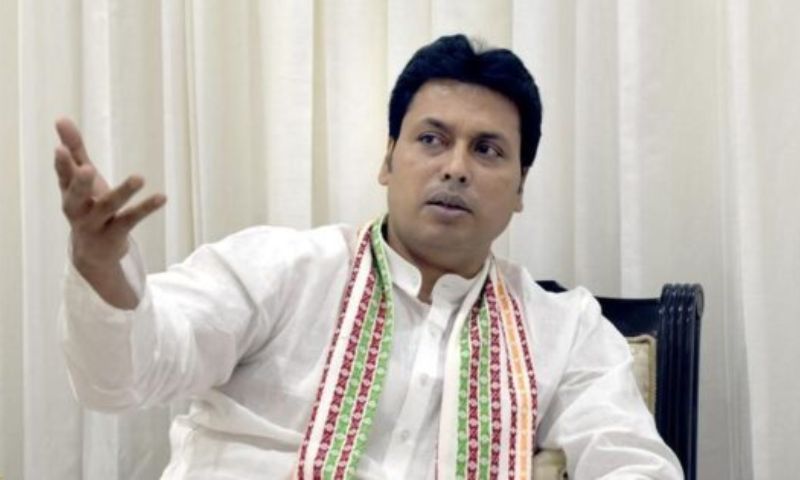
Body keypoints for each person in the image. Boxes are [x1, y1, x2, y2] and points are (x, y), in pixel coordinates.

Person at [56, 34, 682, 479]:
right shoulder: (282, 271)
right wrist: (101, 267)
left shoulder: (564, 330)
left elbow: (631, 461)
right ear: (388, 160)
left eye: (487, 150)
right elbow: (125, 376)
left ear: (520, 189)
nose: (455, 168)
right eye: (432, 139)